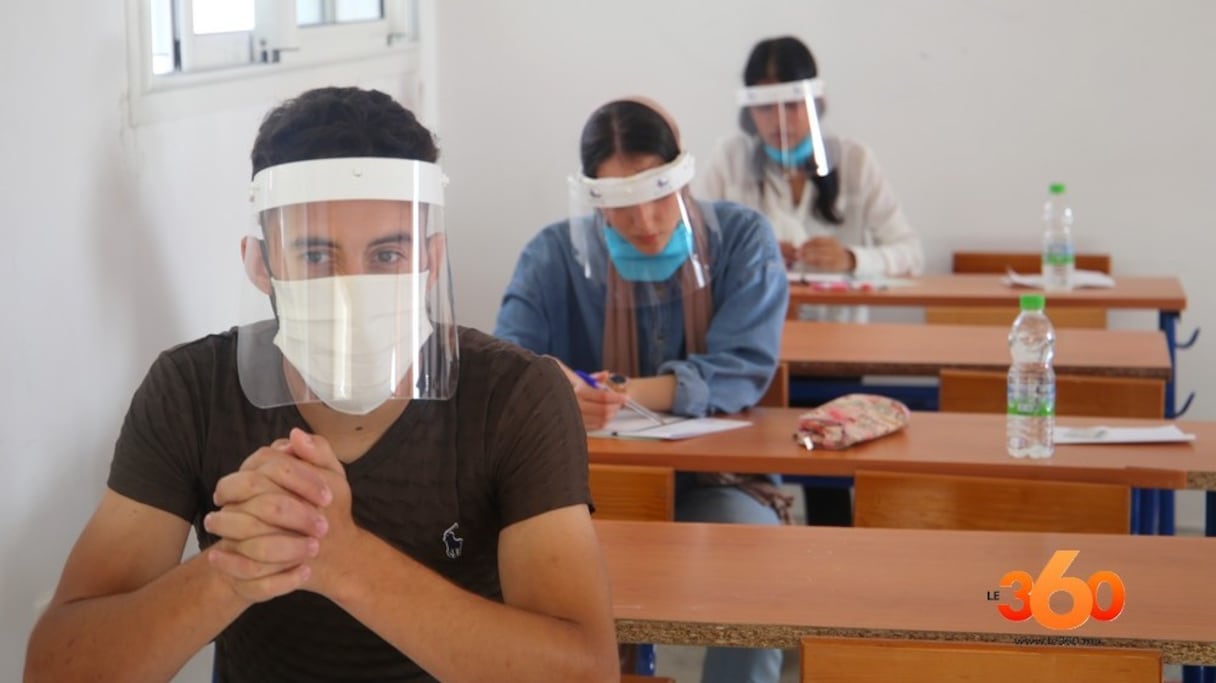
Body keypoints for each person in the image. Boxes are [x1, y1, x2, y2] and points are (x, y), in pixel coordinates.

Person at [25, 87, 618, 683]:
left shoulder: (513, 397)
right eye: (315, 255)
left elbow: (585, 672)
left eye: (387, 254)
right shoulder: (192, 391)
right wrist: (230, 569)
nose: (352, 290)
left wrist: (342, 559)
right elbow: (55, 669)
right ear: (260, 265)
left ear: (431, 261)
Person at [495, 97, 788, 683]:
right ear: (594, 198)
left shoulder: (742, 239)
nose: (647, 222)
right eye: (624, 206)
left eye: (659, 194)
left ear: (682, 174)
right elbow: (507, 371)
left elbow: (745, 367)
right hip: (579, 494)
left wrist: (628, 392)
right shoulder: (552, 256)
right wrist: (559, 395)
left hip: (715, 482)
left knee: (756, 571)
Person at [698, 35, 924, 288]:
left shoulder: (856, 161)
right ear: (749, 112)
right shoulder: (729, 159)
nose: (778, 120)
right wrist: (749, 256)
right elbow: (695, 251)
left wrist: (851, 259)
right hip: (756, 323)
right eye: (765, 107)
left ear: (817, 103)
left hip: (840, 324)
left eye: (792, 104)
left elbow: (911, 254)